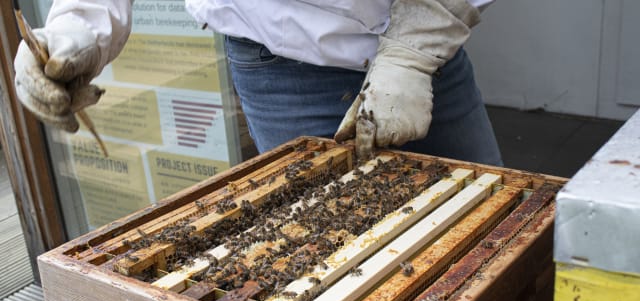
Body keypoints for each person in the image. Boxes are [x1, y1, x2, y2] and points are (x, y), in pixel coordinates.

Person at [14, 0, 503, 165]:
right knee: (327, 277)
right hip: (279, 69)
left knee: (493, 248)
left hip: (427, 50)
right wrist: (77, 27)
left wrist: (417, 46)